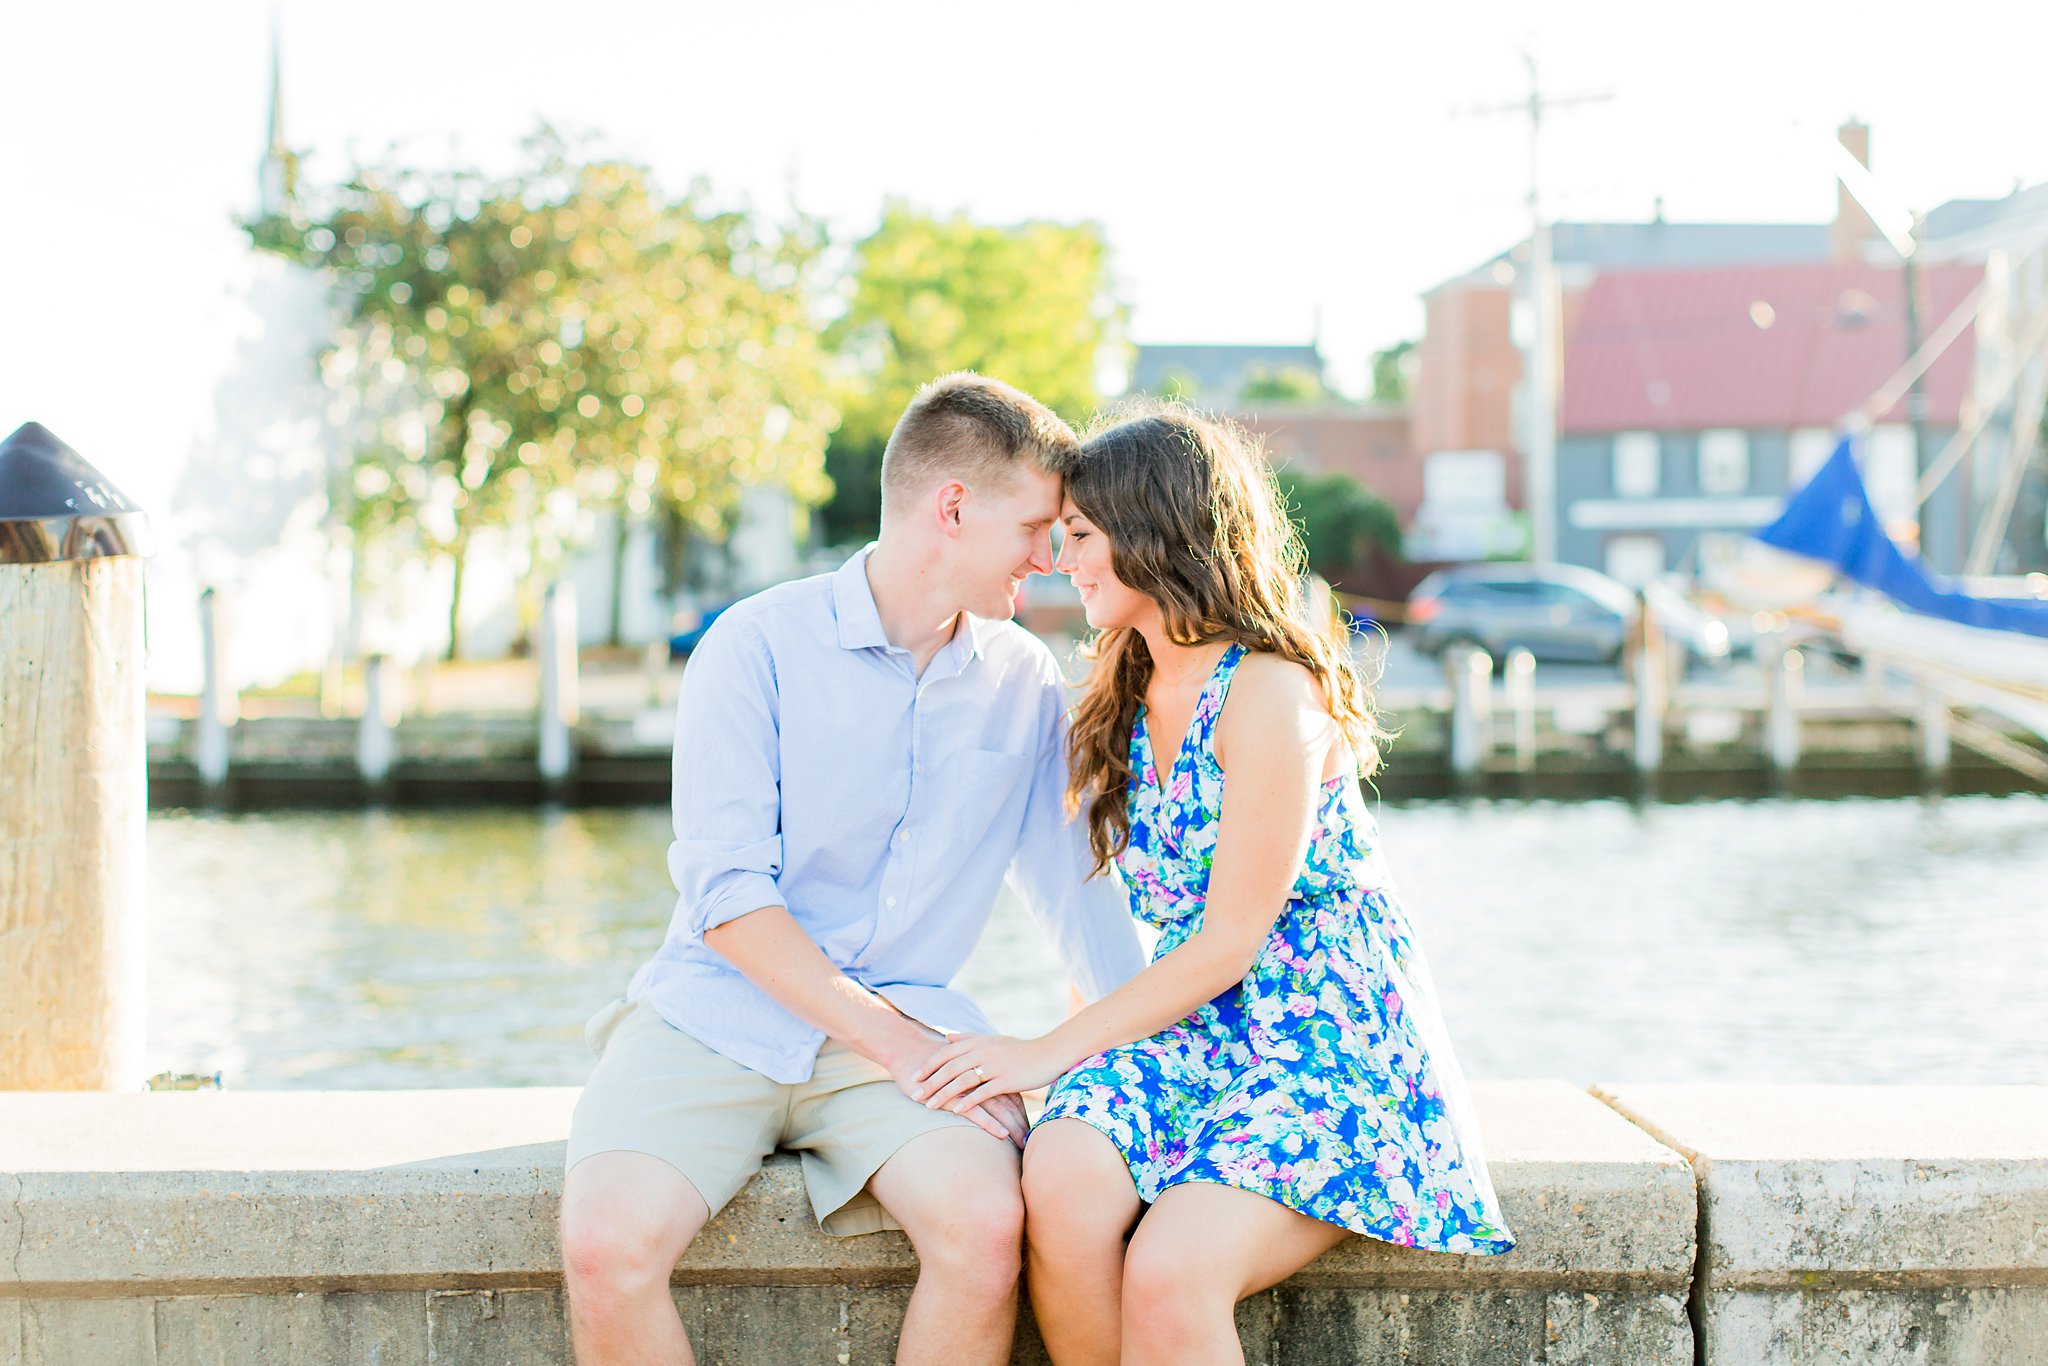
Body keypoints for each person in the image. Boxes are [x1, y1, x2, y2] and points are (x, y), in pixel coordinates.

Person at [559, 372, 1146, 1366]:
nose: (1051, 559)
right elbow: (726, 897)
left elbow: (1077, 894)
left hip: (906, 1031)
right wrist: (900, 1046)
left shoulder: (1023, 681)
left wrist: (1141, 1057)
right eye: (1037, 528)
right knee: (605, 1245)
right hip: (718, 1012)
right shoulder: (752, 646)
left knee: (982, 1228)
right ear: (952, 508)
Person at [913, 403, 1516, 1366]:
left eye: (1079, 536)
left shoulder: (1271, 692)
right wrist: (1082, 1073)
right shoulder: (1117, 690)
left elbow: (1231, 937)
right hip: (1199, 1032)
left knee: (1171, 1271)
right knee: (1060, 1181)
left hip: (1329, 1039)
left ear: (1156, 534)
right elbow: (1105, 923)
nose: (1063, 559)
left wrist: (1042, 1052)